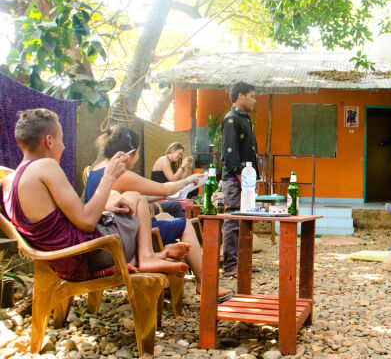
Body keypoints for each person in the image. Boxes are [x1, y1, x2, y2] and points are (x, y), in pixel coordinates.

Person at [1, 109, 188, 280]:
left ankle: (151, 256)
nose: (64, 147)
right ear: (49, 141)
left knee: (127, 202)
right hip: (89, 254)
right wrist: (109, 177)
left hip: (57, 259)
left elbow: (64, 218)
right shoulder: (46, 166)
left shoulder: (11, 180)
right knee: (135, 198)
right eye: (61, 139)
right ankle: (148, 256)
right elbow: (87, 223)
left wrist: (105, 206)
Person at [86, 125, 230, 296]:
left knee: (160, 210)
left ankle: (167, 255)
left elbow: (141, 198)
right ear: (128, 154)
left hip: (110, 232)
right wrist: (189, 180)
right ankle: (204, 283)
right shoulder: (119, 173)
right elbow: (165, 188)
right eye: (137, 152)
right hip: (123, 235)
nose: (138, 157)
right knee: (184, 224)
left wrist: (165, 195)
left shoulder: (96, 168)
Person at [220, 81, 261, 277]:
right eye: (252, 96)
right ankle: (230, 265)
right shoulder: (231, 119)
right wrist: (244, 182)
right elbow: (230, 154)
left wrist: (251, 184)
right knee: (234, 220)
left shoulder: (245, 119)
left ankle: (244, 261)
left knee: (247, 220)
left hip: (247, 182)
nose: (255, 100)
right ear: (240, 96)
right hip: (236, 181)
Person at [150, 142, 194, 218]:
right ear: (172, 150)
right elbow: (172, 179)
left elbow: (178, 181)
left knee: (193, 190)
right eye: (179, 153)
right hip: (159, 194)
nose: (180, 157)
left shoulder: (171, 163)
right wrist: (182, 166)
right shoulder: (163, 159)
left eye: (181, 155)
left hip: (166, 193)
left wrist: (186, 169)